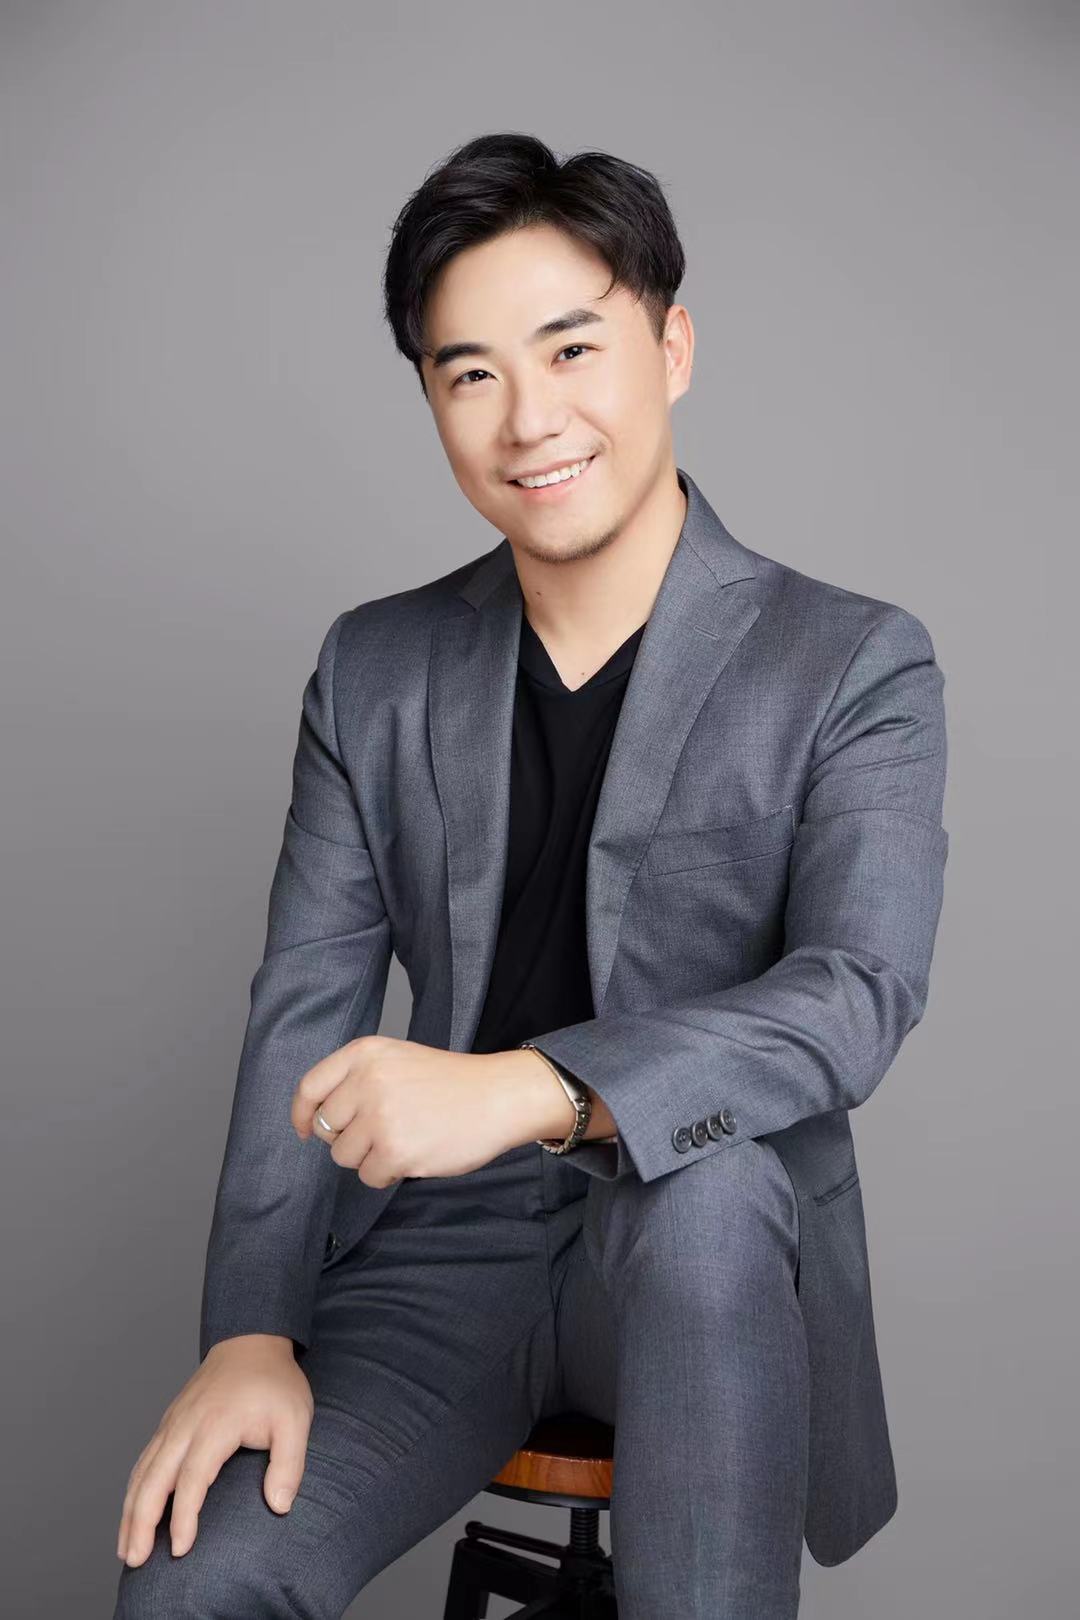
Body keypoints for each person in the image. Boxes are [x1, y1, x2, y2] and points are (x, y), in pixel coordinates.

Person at [113, 132, 949, 1619]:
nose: (529, 419)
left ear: (672, 347)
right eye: (471, 374)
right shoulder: (374, 668)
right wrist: (248, 1328)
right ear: (433, 403)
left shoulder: (851, 660)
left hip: (698, 1249)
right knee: (197, 1581)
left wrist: (534, 1086)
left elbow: (854, 996)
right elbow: (303, 1007)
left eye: (571, 350)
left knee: (710, 1201)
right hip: (441, 1252)